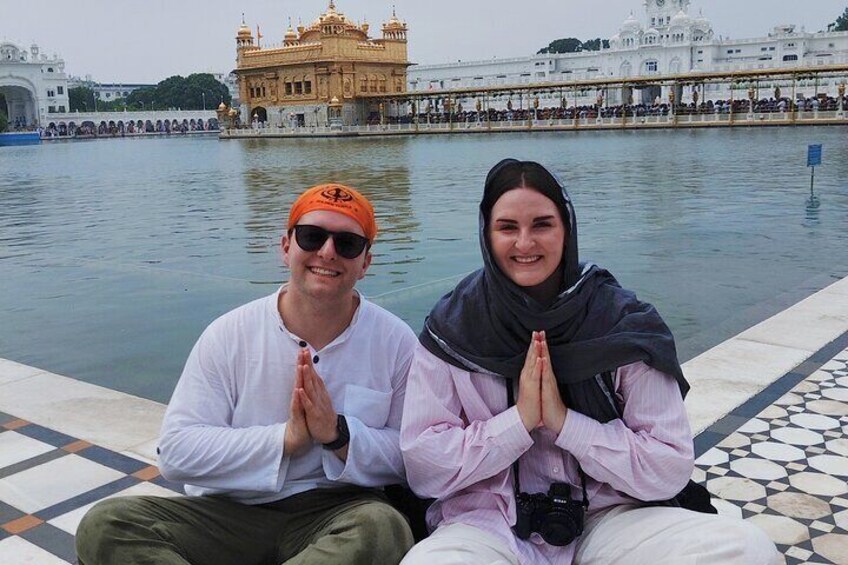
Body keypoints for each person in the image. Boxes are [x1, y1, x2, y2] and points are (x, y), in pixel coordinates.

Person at [400, 159, 780, 564]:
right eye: (507, 228)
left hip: (609, 516)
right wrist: (519, 421)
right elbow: (425, 469)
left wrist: (566, 424)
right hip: (490, 522)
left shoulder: (620, 323)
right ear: (486, 235)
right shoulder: (455, 329)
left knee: (747, 550)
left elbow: (669, 466)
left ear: (567, 230)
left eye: (542, 225)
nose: (524, 243)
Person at [77, 184, 417, 565]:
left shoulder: (395, 341)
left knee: (383, 528)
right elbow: (176, 452)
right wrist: (284, 440)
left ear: (366, 262)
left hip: (336, 513)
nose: (327, 252)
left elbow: (412, 457)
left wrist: (338, 434)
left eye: (347, 244)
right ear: (286, 247)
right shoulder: (229, 334)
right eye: (311, 236)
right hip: (228, 514)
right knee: (106, 525)